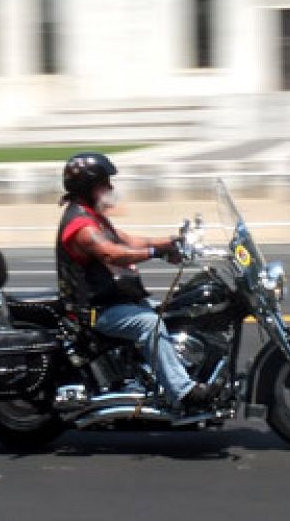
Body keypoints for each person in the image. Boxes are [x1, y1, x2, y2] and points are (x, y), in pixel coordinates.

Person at [55, 152, 217, 410]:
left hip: (113, 300)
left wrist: (172, 242)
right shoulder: (81, 226)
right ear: (87, 186)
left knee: (176, 309)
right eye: (104, 183)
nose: (110, 188)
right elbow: (112, 253)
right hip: (97, 310)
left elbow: (129, 241)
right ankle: (183, 392)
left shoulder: (93, 217)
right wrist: (155, 253)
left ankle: (166, 371)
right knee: (149, 324)